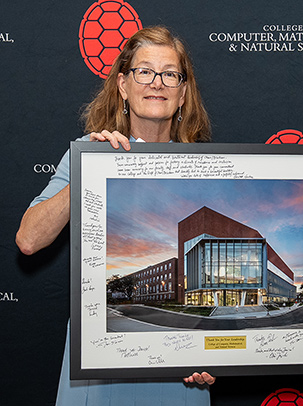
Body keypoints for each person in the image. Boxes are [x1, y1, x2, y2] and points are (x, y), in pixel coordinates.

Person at [16, 26, 214, 406]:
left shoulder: (209, 167)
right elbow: (29, 240)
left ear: (183, 91)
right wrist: (92, 169)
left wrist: (218, 355)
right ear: (123, 84)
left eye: (170, 73)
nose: (157, 83)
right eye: (144, 71)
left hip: (181, 372)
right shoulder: (86, 153)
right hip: (99, 370)